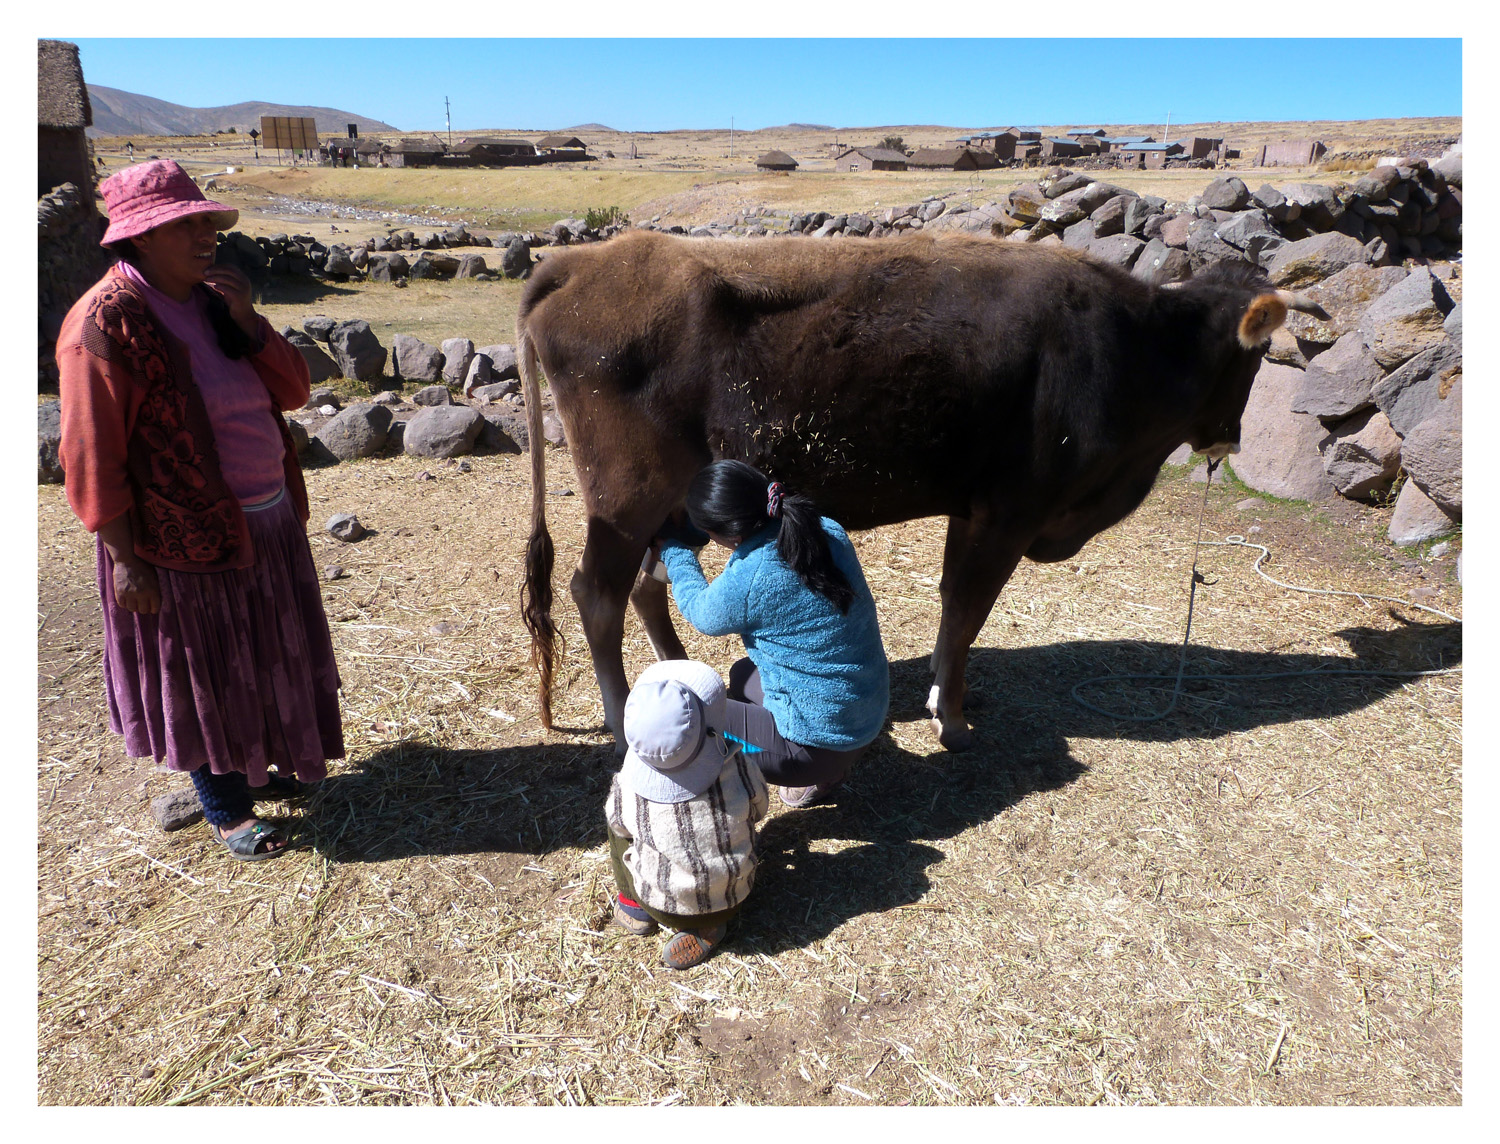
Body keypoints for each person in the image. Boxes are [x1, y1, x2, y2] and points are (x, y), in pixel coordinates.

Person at [57, 160, 344, 861]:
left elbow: (294, 391)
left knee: (263, 653)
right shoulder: (104, 324)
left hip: (267, 517)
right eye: (182, 225)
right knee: (204, 672)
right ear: (140, 237)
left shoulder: (215, 303)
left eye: (206, 221)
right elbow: (92, 453)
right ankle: (227, 808)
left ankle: (263, 767)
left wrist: (248, 320)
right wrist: (125, 558)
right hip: (178, 538)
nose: (204, 235)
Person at [653, 459, 889, 809]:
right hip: (867, 715)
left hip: (812, 747)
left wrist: (676, 553)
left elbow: (701, 612)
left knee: (689, 728)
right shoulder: (824, 529)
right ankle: (823, 759)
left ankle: (791, 778)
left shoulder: (753, 576)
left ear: (729, 534)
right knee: (742, 674)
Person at [606, 660, 768, 970]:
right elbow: (760, 810)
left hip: (661, 905)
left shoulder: (628, 786)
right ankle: (710, 925)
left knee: (615, 826)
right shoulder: (739, 767)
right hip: (734, 894)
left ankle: (633, 906)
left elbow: (620, 826)